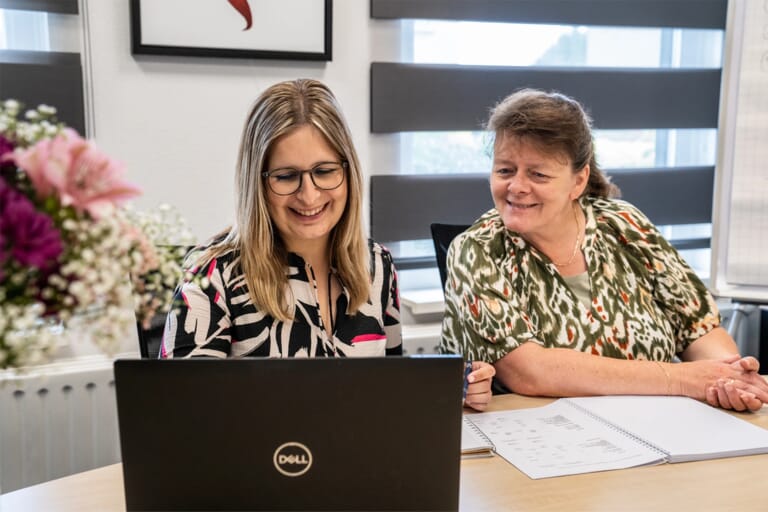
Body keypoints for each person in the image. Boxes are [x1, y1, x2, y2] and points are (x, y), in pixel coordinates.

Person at [160, 78, 494, 410]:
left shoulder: (377, 265)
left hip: (358, 461)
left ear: (347, 171)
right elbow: (181, 419)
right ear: (258, 182)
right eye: (286, 177)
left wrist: (450, 388)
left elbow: (389, 394)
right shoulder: (211, 275)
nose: (309, 195)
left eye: (324, 171)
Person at [440, 88, 768, 412]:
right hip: (544, 442)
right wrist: (680, 378)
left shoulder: (624, 224)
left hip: (658, 427)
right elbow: (529, 371)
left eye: (538, 174)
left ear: (578, 181)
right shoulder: (477, 251)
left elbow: (698, 326)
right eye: (504, 170)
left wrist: (729, 378)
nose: (517, 187)